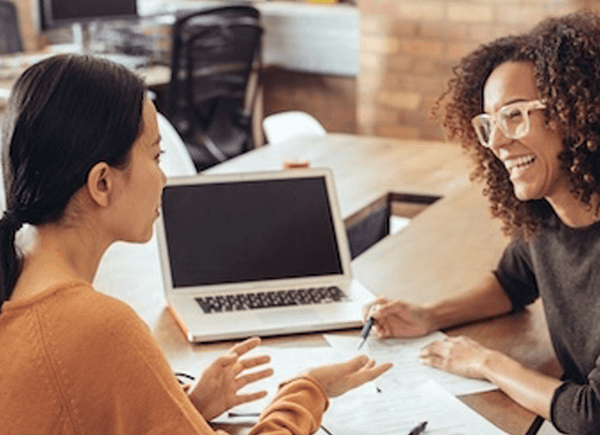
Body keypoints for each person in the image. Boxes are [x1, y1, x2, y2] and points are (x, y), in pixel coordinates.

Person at [0, 54, 392, 435]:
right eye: (156, 156)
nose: (164, 178)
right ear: (102, 183)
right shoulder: (98, 327)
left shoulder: (20, 288)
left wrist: (185, 405)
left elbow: (73, 409)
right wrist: (306, 391)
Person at [363, 11, 600, 435]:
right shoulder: (548, 217)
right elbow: (511, 284)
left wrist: (486, 362)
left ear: (575, 114)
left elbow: (591, 415)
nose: (496, 142)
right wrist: (427, 315)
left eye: (515, 116)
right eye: (489, 124)